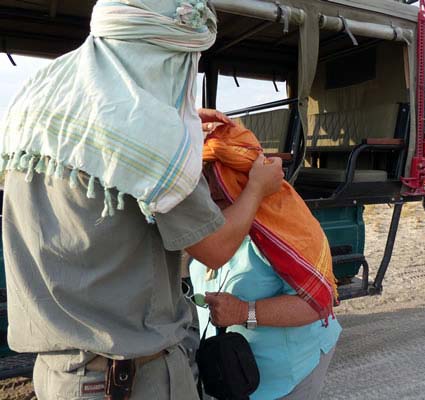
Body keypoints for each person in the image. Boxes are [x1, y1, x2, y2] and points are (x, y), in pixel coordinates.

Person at [0, 1, 284, 399]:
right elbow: (216, 249)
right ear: (165, 56)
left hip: (59, 374)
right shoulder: (154, 140)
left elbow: (104, 135)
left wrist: (179, 125)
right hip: (130, 381)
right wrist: (258, 187)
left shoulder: (38, 103)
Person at [189, 124, 342, 400]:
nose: (211, 190)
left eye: (220, 176)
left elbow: (318, 303)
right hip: (232, 374)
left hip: (289, 376)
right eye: (204, 176)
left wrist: (243, 311)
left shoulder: (284, 229)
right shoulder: (206, 225)